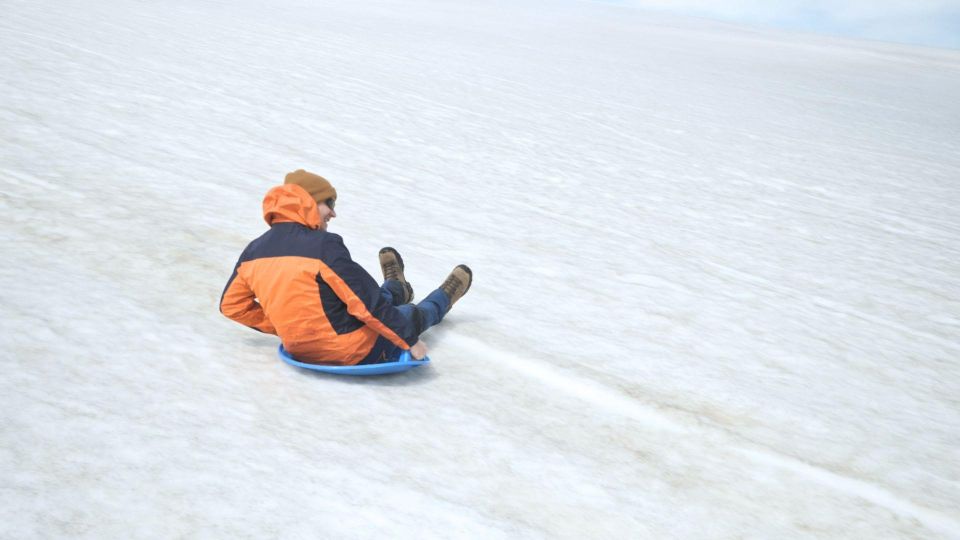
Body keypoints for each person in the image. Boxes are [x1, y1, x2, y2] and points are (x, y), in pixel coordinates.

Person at [219, 169, 472, 365]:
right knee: (408, 314)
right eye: (329, 202)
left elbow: (231, 305)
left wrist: (290, 327)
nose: (333, 213)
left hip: (299, 349)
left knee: (360, 299)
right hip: (353, 351)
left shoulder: (252, 252)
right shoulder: (324, 246)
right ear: (307, 201)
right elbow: (367, 305)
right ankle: (444, 295)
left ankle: (396, 286)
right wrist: (410, 340)